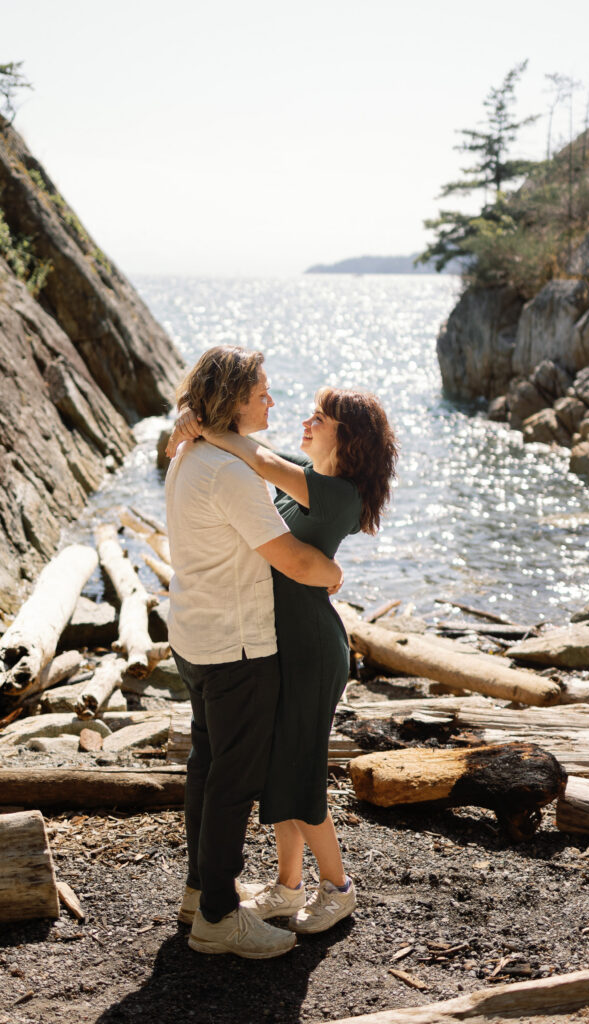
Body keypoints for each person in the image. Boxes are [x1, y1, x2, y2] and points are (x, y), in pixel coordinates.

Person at [167, 384, 398, 935]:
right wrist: (187, 421)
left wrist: (203, 425)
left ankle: (337, 888)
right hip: (282, 640)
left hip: (310, 649)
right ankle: (287, 887)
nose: (307, 421)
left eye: (322, 419)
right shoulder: (309, 473)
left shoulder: (337, 492)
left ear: (350, 440)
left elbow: (254, 454)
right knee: (279, 770)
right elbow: (255, 449)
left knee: (299, 772)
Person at [164, 345, 343, 959]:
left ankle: (200, 891)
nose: (271, 400)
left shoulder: (190, 452)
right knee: (231, 784)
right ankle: (217, 917)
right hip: (235, 647)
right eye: (260, 391)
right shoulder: (230, 472)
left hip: (194, 635)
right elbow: (292, 560)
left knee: (207, 768)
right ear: (234, 400)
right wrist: (330, 572)